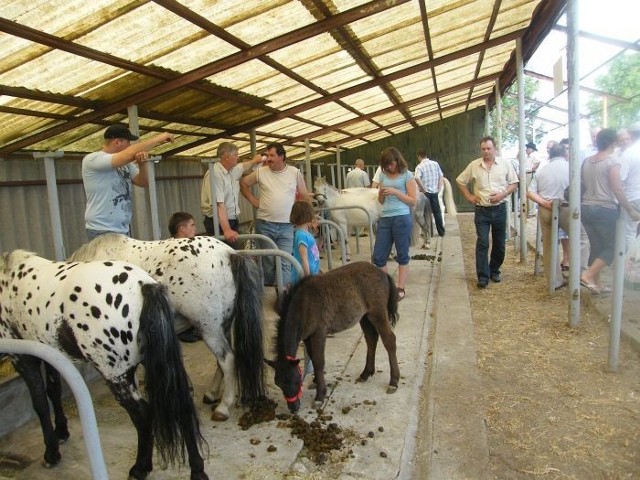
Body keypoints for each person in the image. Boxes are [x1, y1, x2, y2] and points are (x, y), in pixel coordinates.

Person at [82, 124, 173, 240]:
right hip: (102, 229)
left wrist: (142, 162)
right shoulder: (93, 159)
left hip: (122, 228)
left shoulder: (126, 164)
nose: (130, 146)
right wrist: (158, 139)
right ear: (117, 142)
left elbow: (144, 182)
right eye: (128, 142)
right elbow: (128, 154)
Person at [240, 142, 310, 287]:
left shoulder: (294, 173)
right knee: (268, 261)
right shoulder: (261, 172)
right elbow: (244, 183)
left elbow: (304, 195)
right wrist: (253, 200)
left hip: (287, 225)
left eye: (272, 155)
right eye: (267, 155)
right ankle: (271, 289)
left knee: (285, 260)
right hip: (265, 224)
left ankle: (282, 294)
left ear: (281, 157)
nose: (268, 158)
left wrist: (304, 219)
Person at [456, 136, 519, 288]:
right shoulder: (474, 165)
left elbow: (514, 183)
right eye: (483, 149)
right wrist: (469, 196)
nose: (486, 151)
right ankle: (483, 276)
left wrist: (502, 194)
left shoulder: (505, 164)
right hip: (482, 210)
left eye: (488, 148)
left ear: (495, 148)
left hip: (500, 210)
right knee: (483, 242)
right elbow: (460, 180)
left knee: (499, 243)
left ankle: (494, 270)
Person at [579, 129, 626, 294]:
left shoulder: (586, 161)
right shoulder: (612, 162)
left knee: (597, 246)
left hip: (586, 208)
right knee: (614, 246)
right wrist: (628, 207)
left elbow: (583, 184)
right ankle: (587, 275)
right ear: (613, 143)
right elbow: (617, 189)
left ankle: (596, 284)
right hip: (605, 208)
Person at [371, 147, 417, 301]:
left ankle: (401, 288)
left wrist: (396, 192)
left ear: (397, 161)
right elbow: (380, 201)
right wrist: (381, 194)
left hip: (402, 218)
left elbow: (413, 200)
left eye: (390, 164)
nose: (388, 168)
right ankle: (387, 287)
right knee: (378, 255)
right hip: (385, 217)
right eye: (386, 165)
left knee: (402, 254)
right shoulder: (383, 176)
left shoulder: (407, 175)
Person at [200, 142, 263, 247]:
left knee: (233, 253)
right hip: (218, 223)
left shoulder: (231, 170)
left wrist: (255, 161)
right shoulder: (215, 173)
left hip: (231, 219)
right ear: (226, 157)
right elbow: (219, 204)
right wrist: (227, 230)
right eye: (235, 155)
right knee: (224, 254)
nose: (237, 158)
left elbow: (243, 166)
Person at [526, 143, 570, 290]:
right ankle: (578, 275)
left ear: (551, 155)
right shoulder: (571, 169)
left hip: (546, 208)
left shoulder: (542, 171)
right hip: (566, 208)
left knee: (549, 245)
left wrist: (544, 202)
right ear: (565, 154)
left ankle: (554, 281)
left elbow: (529, 192)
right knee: (580, 240)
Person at [167, 211, 202, 342]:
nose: (195, 228)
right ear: (182, 229)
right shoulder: (173, 248)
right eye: (192, 225)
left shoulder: (191, 245)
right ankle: (184, 328)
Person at [613, 122, 640, 251]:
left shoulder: (629, 153)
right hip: (634, 196)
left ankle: (625, 267)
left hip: (632, 198)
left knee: (628, 233)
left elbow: (620, 179)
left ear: (631, 135)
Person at [414, 150, 445, 237]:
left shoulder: (419, 167)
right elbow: (441, 175)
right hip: (434, 192)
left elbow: (416, 177)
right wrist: (439, 187)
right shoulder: (435, 164)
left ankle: (428, 233)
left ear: (419, 156)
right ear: (426, 155)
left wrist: (423, 188)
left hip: (425, 193)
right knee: (437, 212)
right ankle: (441, 232)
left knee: (425, 213)